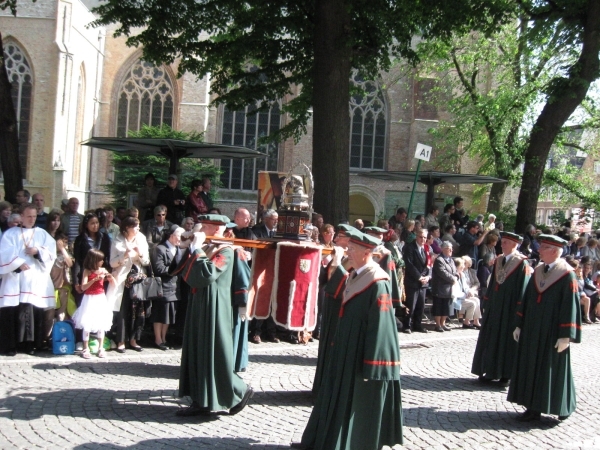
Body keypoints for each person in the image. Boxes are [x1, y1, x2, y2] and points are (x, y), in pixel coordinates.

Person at [293, 228, 403, 450]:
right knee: (334, 397)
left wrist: (373, 365)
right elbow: (331, 293)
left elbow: (381, 328)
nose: (347, 251)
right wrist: (344, 265)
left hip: (358, 353)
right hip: (343, 349)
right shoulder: (355, 274)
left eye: (351, 249)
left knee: (350, 402)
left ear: (365, 252)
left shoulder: (377, 282)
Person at [176, 214, 253, 417]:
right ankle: (201, 399)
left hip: (215, 308)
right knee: (199, 351)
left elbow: (208, 273)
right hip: (201, 304)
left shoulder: (225, 251)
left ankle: (239, 390)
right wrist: (190, 246)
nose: (200, 230)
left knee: (215, 353)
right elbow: (188, 273)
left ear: (216, 229)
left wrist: (196, 249)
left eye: (205, 227)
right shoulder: (211, 247)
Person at [507, 234, 581, 422]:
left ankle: (561, 406)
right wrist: (519, 324)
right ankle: (533, 407)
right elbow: (527, 298)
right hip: (532, 329)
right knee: (532, 367)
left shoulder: (567, 275)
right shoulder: (539, 271)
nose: (539, 249)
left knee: (551, 369)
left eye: (544, 247)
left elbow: (570, 306)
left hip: (552, 332)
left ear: (555, 251)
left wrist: (566, 335)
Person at [471, 231, 529, 386]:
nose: (501, 245)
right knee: (492, 339)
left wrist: (519, 311)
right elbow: (492, 285)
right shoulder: (499, 260)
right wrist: (487, 303)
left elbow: (523, 290)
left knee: (506, 341)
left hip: (510, 308)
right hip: (496, 306)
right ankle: (489, 370)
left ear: (515, 244)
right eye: (502, 242)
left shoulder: (522, 263)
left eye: (506, 243)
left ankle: (506, 374)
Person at [0, 204, 56, 355]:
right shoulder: (11, 234)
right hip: (15, 278)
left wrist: (38, 251)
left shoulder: (42, 234)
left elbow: (51, 252)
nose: (32, 219)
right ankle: (11, 345)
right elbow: (4, 252)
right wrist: (17, 263)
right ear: (22, 217)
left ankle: (30, 344)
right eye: (29, 216)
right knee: (12, 312)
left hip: (33, 280)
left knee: (32, 312)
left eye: (34, 216)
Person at [107, 216, 150, 353]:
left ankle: (134, 340)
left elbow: (147, 261)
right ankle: (121, 341)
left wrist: (140, 254)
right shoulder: (117, 239)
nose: (138, 228)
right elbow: (112, 263)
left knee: (138, 311)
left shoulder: (141, 238)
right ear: (127, 227)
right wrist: (124, 255)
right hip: (122, 280)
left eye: (138, 226)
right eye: (135, 226)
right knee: (123, 312)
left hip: (138, 279)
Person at [71, 249, 115, 359]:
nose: (102, 262)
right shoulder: (87, 271)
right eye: (100, 260)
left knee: (101, 323)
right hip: (89, 298)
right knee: (87, 322)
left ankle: (101, 347)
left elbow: (114, 284)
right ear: (94, 260)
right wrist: (95, 279)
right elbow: (83, 287)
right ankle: (86, 348)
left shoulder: (103, 270)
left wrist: (110, 278)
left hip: (100, 298)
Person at [150, 225, 184, 350]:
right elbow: (158, 268)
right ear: (171, 235)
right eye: (179, 236)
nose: (181, 239)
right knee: (160, 314)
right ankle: (158, 339)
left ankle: (164, 338)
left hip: (175, 286)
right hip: (163, 286)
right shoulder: (160, 248)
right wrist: (174, 271)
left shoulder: (178, 249)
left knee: (169, 314)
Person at [72, 213, 112, 305]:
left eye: (97, 223)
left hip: (101, 273)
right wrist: (76, 281)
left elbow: (108, 256)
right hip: (86, 273)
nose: (95, 226)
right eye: (92, 223)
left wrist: (108, 272)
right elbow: (77, 260)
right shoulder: (80, 239)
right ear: (86, 225)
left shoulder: (104, 237)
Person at [402, 228, 430, 334]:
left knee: (420, 305)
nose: (422, 239)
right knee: (411, 305)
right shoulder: (410, 248)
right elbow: (409, 264)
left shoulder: (426, 249)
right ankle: (407, 325)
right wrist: (419, 277)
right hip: (413, 281)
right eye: (420, 237)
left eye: (425, 237)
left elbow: (429, 265)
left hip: (423, 282)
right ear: (416, 236)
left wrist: (428, 277)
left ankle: (418, 324)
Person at [431, 241, 458, 332]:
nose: (451, 250)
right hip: (440, 287)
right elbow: (442, 272)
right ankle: (438, 324)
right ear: (443, 249)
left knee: (447, 306)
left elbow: (455, 271)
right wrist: (453, 279)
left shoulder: (451, 260)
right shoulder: (439, 260)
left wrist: (456, 277)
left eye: (451, 248)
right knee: (439, 306)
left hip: (449, 288)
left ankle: (443, 323)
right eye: (448, 248)